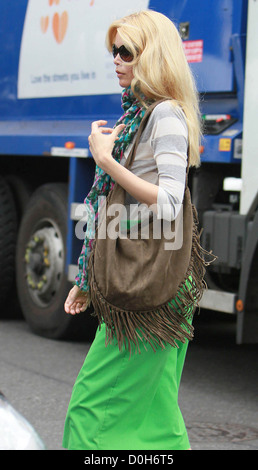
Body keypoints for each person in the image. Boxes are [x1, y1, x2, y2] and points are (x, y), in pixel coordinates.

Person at [62, 10, 201, 450]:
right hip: (149, 284)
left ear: (153, 55)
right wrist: (88, 282)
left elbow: (169, 202)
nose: (117, 60)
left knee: (89, 409)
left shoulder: (166, 117)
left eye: (126, 51)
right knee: (154, 414)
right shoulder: (143, 115)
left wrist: (105, 161)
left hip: (151, 290)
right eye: (114, 51)